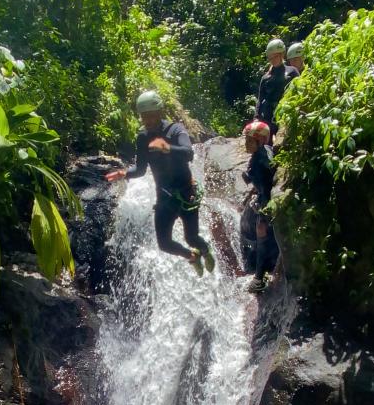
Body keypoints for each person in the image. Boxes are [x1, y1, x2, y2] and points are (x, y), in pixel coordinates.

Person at [105, 91, 215, 277]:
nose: (147, 120)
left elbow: (189, 153)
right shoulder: (142, 137)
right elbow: (140, 170)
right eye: (143, 116)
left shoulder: (176, 130)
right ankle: (192, 257)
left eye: (150, 116)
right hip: (165, 198)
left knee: (191, 237)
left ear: (159, 112)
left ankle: (204, 250)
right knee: (164, 244)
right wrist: (124, 173)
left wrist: (167, 148)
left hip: (186, 194)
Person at [241, 120, 278, 294]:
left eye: (250, 141)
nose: (246, 144)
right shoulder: (262, 153)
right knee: (261, 233)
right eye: (246, 140)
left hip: (267, 200)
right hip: (264, 198)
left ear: (261, 141)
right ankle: (260, 273)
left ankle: (259, 277)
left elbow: (267, 178)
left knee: (262, 232)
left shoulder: (262, 158)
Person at [254, 39, 299, 140]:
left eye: (275, 56)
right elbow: (260, 100)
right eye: (270, 57)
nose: (273, 59)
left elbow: (299, 92)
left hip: (285, 115)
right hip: (268, 117)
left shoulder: (292, 72)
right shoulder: (266, 78)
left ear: (282, 54)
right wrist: (256, 118)